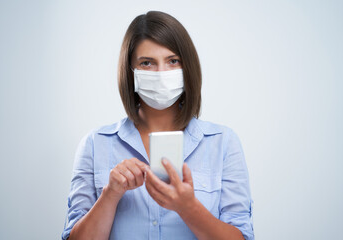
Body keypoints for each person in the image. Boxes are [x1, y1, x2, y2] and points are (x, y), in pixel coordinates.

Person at [62, 11, 254, 240]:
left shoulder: (223, 143)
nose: (162, 74)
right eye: (147, 63)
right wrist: (110, 194)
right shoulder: (95, 144)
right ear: (130, 72)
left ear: (187, 67)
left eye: (173, 61)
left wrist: (189, 208)